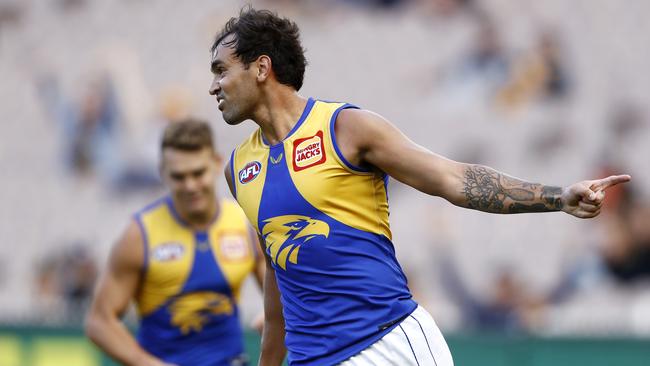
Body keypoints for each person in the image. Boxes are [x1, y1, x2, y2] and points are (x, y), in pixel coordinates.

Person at [208, 8, 630, 366]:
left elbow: (454, 179)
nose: (213, 86)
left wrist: (557, 198)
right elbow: (277, 274)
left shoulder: (346, 128)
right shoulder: (239, 168)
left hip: (387, 345)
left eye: (221, 70)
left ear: (261, 68)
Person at [85, 118, 265, 366]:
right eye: (179, 177)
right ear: (162, 173)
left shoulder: (244, 224)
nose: (190, 185)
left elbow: (280, 292)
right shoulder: (140, 235)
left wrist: (272, 314)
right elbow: (99, 321)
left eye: (198, 173)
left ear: (216, 163)